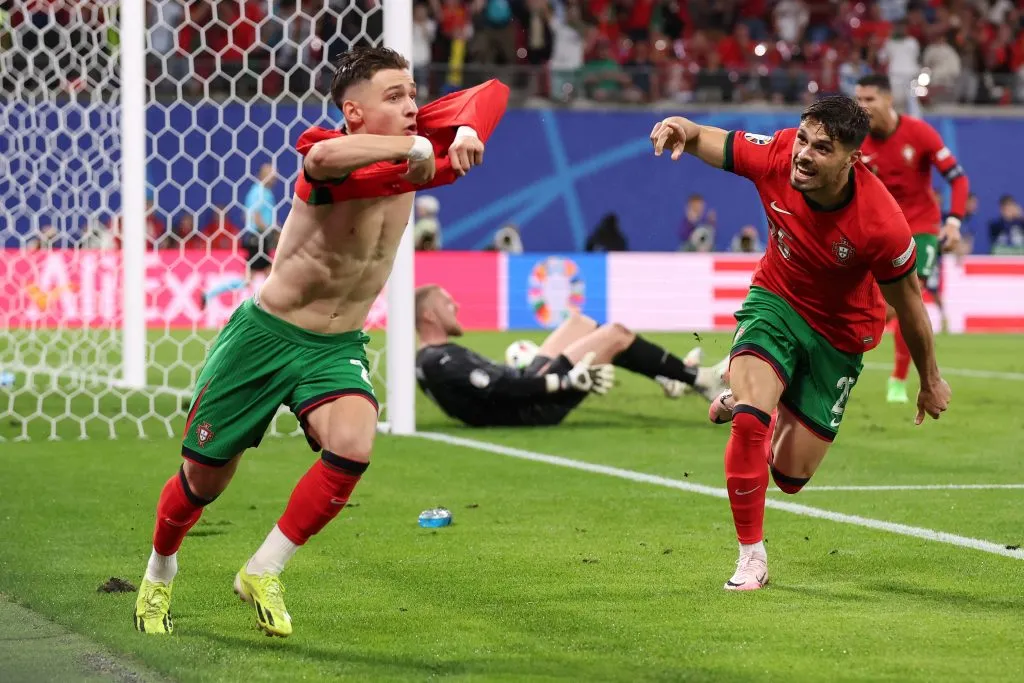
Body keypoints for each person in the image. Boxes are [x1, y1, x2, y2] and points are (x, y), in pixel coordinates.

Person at [133, 46, 507, 637]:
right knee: (205, 480)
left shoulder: (421, 141)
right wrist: (415, 148)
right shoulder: (333, 162)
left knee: (355, 443)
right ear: (354, 112)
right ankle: (159, 571)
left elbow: (492, 92)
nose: (412, 106)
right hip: (265, 338)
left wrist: (461, 125)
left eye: (413, 94)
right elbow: (326, 155)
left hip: (335, 347)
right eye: (395, 97)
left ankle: (263, 569)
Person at [649, 95, 951, 591]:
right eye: (804, 138)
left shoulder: (880, 222)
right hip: (776, 302)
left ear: (853, 160)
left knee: (789, 477)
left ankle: (762, 393)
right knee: (751, 421)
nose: (805, 154)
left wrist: (930, 379)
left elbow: (912, 307)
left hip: (841, 335)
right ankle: (751, 557)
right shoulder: (777, 153)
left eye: (823, 148)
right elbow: (709, 138)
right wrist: (681, 126)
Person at [414, 285, 729, 428]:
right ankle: (699, 380)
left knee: (579, 322)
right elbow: (501, 391)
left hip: (525, 384)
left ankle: (669, 378)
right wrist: (563, 381)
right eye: (446, 302)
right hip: (532, 404)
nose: (455, 305)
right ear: (429, 316)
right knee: (615, 334)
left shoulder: (430, 359)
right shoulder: (438, 362)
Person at [855, 74, 970, 403]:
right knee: (879, 307)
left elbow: (957, 179)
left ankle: (899, 379)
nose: (862, 107)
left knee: (909, 298)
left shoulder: (918, 133)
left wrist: (953, 222)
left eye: (869, 100)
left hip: (920, 229)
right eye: (858, 100)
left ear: (889, 100)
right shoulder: (856, 142)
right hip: (878, 233)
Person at [201, 163, 279, 308]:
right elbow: (256, 216)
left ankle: (209, 294)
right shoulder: (259, 192)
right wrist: (272, 231)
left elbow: (246, 216)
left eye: (275, 175)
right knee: (266, 276)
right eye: (272, 175)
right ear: (262, 175)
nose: (275, 178)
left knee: (258, 277)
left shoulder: (260, 191)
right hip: (257, 238)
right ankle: (274, 309)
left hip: (257, 238)